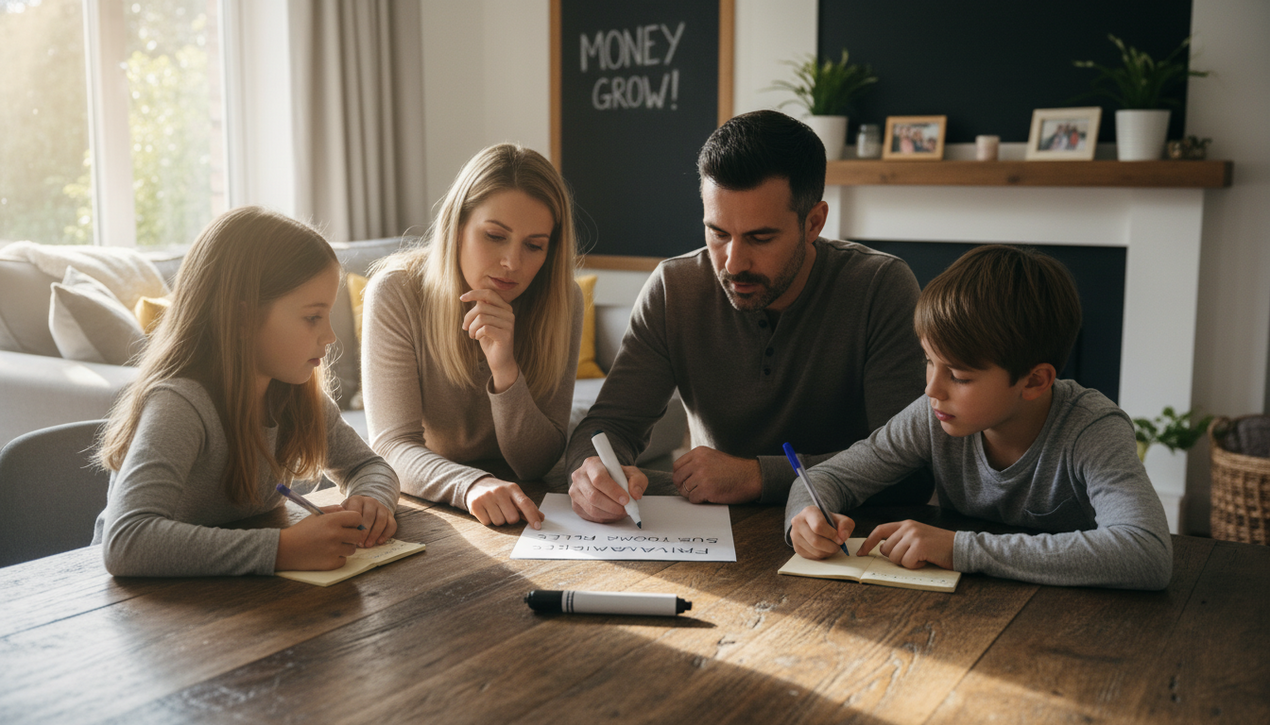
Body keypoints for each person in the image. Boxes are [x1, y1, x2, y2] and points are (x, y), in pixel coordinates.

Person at [566, 110, 930, 523]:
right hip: (710, 534)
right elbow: (607, 425)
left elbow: (912, 468)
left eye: (760, 237)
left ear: (814, 222)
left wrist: (758, 476)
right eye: (718, 233)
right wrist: (590, 472)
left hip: (847, 536)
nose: (733, 263)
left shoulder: (880, 286)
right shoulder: (674, 287)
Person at [786, 245, 1173, 590]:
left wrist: (961, 549)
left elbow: (1146, 551)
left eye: (959, 376)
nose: (932, 389)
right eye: (928, 361)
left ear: (1035, 380)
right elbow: (827, 477)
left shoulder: (1091, 430)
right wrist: (804, 519)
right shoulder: (933, 413)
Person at [94, 206, 400, 577]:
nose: (330, 337)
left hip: (235, 600)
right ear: (242, 318)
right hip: (138, 611)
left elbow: (368, 465)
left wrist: (372, 500)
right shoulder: (180, 405)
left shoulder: (293, 396)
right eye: (312, 317)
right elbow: (127, 541)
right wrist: (281, 550)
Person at [361, 144, 582, 530]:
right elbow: (392, 446)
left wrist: (505, 368)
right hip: (439, 501)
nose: (513, 263)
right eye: (495, 236)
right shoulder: (397, 291)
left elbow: (537, 462)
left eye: (534, 246)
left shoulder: (563, 301)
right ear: (458, 226)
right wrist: (471, 484)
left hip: (530, 508)